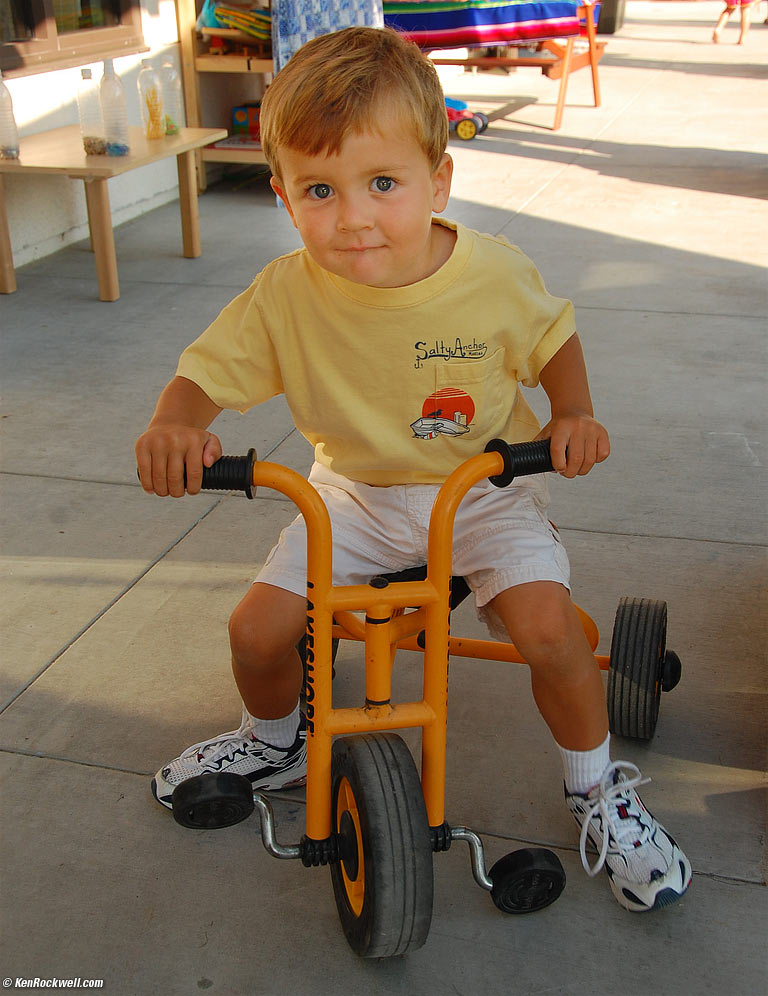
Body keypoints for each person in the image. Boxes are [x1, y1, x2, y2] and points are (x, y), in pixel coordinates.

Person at [135, 26, 691, 913]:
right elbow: (206, 375)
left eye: (383, 183)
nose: (352, 217)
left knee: (551, 633)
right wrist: (175, 423)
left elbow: (553, 336)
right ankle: (275, 738)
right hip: (351, 498)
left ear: (439, 180)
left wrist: (571, 413)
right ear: (281, 194)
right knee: (255, 632)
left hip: (483, 491)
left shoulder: (492, 276)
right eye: (319, 189)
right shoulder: (286, 294)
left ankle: (597, 789)